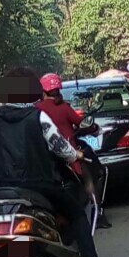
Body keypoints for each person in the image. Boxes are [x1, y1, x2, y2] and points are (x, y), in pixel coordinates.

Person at [0, 67, 110, 257]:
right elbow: (62, 148)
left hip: (4, 188)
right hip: (40, 186)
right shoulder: (38, 117)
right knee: (77, 213)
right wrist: (77, 154)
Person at [36, 73, 111, 228]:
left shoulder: (35, 109)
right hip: (70, 154)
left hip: (42, 158)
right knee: (90, 179)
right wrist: (94, 128)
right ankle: (98, 214)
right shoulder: (63, 107)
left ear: (43, 91)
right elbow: (81, 123)